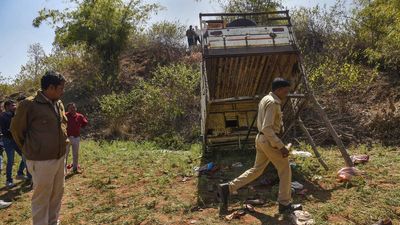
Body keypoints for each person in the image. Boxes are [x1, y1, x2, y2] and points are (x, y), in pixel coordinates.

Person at [217, 78, 302, 215]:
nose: (286, 94)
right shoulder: (273, 103)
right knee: (285, 170)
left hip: (261, 139)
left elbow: (265, 127)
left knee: (257, 170)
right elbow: (267, 128)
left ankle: (228, 188)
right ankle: (284, 204)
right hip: (269, 140)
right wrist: (280, 146)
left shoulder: (265, 99)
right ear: (279, 90)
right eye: (285, 91)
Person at [11, 71, 68, 225]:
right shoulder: (29, 105)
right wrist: (31, 148)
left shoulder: (59, 103)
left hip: (60, 157)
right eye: (61, 88)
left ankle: (52, 221)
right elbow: (16, 130)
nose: (63, 91)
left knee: (57, 194)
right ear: (50, 87)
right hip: (41, 161)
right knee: (42, 197)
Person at [0, 100, 30, 188]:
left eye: (15, 105)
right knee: (10, 160)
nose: (15, 107)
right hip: (8, 140)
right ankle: (9, 181)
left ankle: (20, 173)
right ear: (7, 107)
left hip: (16, 139)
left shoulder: (15, 114)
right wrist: (12, 131)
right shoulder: (3, 116)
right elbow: (5, 131)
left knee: (25, 156)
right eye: (12, 105)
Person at [65, 102, 88, 174]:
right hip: (66, 138)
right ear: (68, 109)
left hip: (76, 137)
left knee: (75, 154)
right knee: (65, 154)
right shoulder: (65, 115)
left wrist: (79, 126)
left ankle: (75, 169)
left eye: (73, 108)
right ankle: (63, 171)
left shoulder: (80, 116)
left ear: (76, 108)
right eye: (70, 108)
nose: (72, 109)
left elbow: (85, 123)